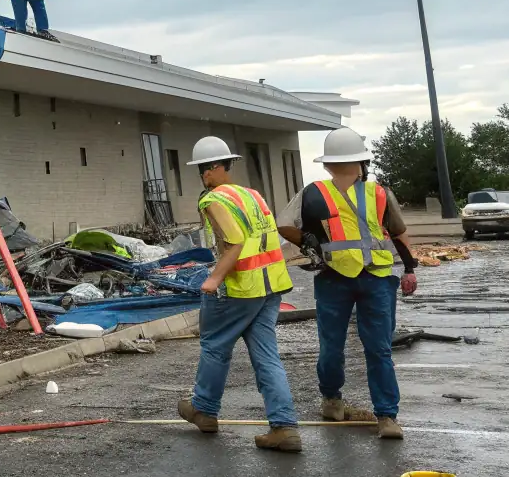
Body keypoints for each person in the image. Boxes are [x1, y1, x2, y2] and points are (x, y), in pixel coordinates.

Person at [276, 127, 419, 440]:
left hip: (333, 277)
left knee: (332, 346)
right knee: (379, 349)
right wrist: (409, 268)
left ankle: (332, 400)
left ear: (327, 165)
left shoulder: (312, 192)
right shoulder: (379, 192)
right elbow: (398, 233)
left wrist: (307, 242)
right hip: (377, 278)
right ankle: (387, 417)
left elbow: (283, 226)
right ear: (361, 162)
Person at [178, 136, 302, 452]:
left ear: (210, 171)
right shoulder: (253, 196)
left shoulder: (212, 200)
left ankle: (204, 410)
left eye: (203, 169)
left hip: (239, 287)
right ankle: (284, 426)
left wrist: (213, 279)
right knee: (266, 354)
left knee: (214, 346)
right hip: (270, 286)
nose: (203, 175)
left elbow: (235, 242)